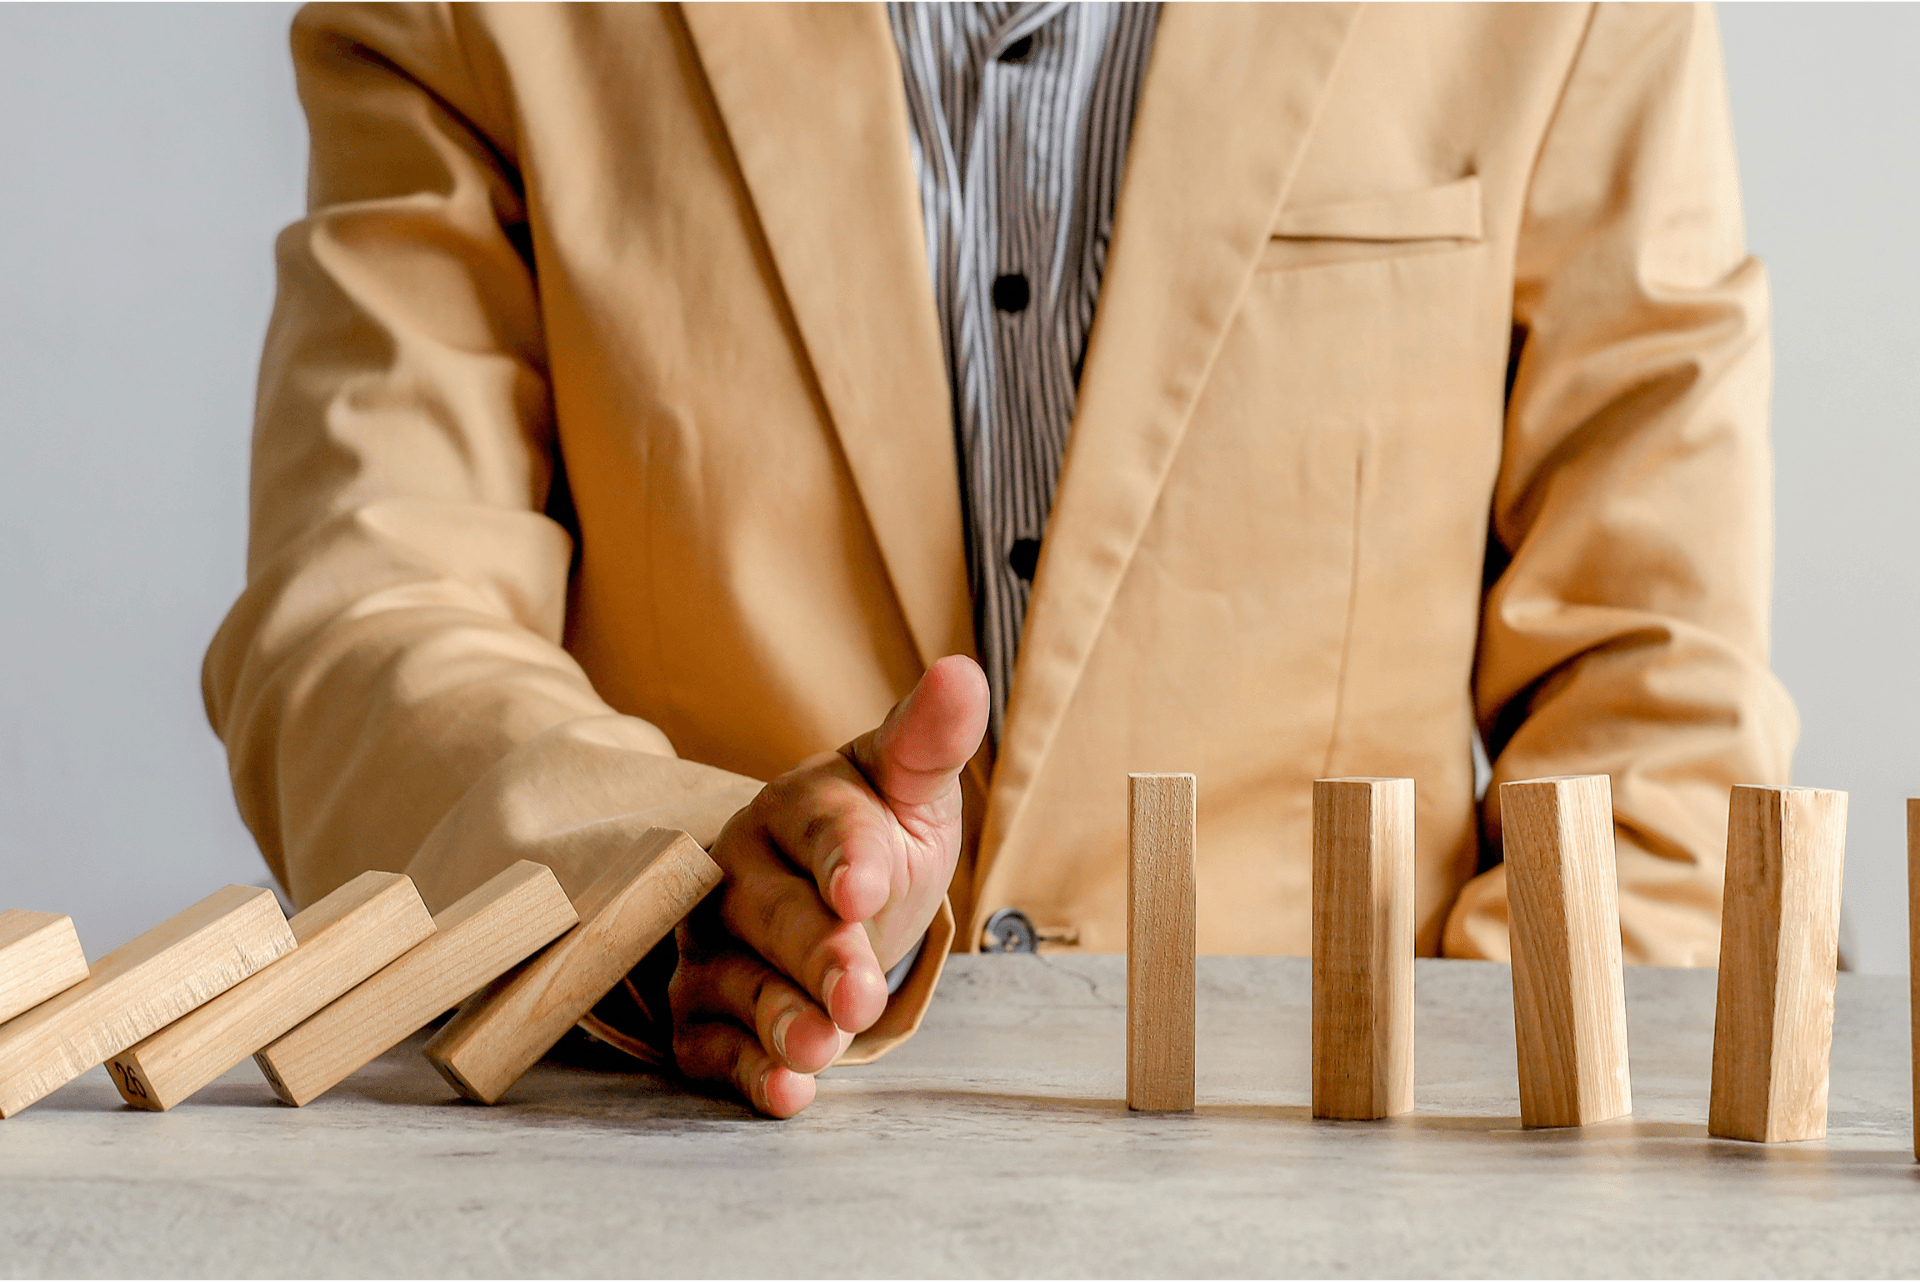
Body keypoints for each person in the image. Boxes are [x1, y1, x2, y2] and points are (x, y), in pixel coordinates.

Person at [206, 1, 1794, 1117]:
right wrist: (677, 883)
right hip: (712, 1147)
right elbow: (362, 605)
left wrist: (1473, 1164)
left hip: (1342, 1165)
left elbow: (1658, 688)